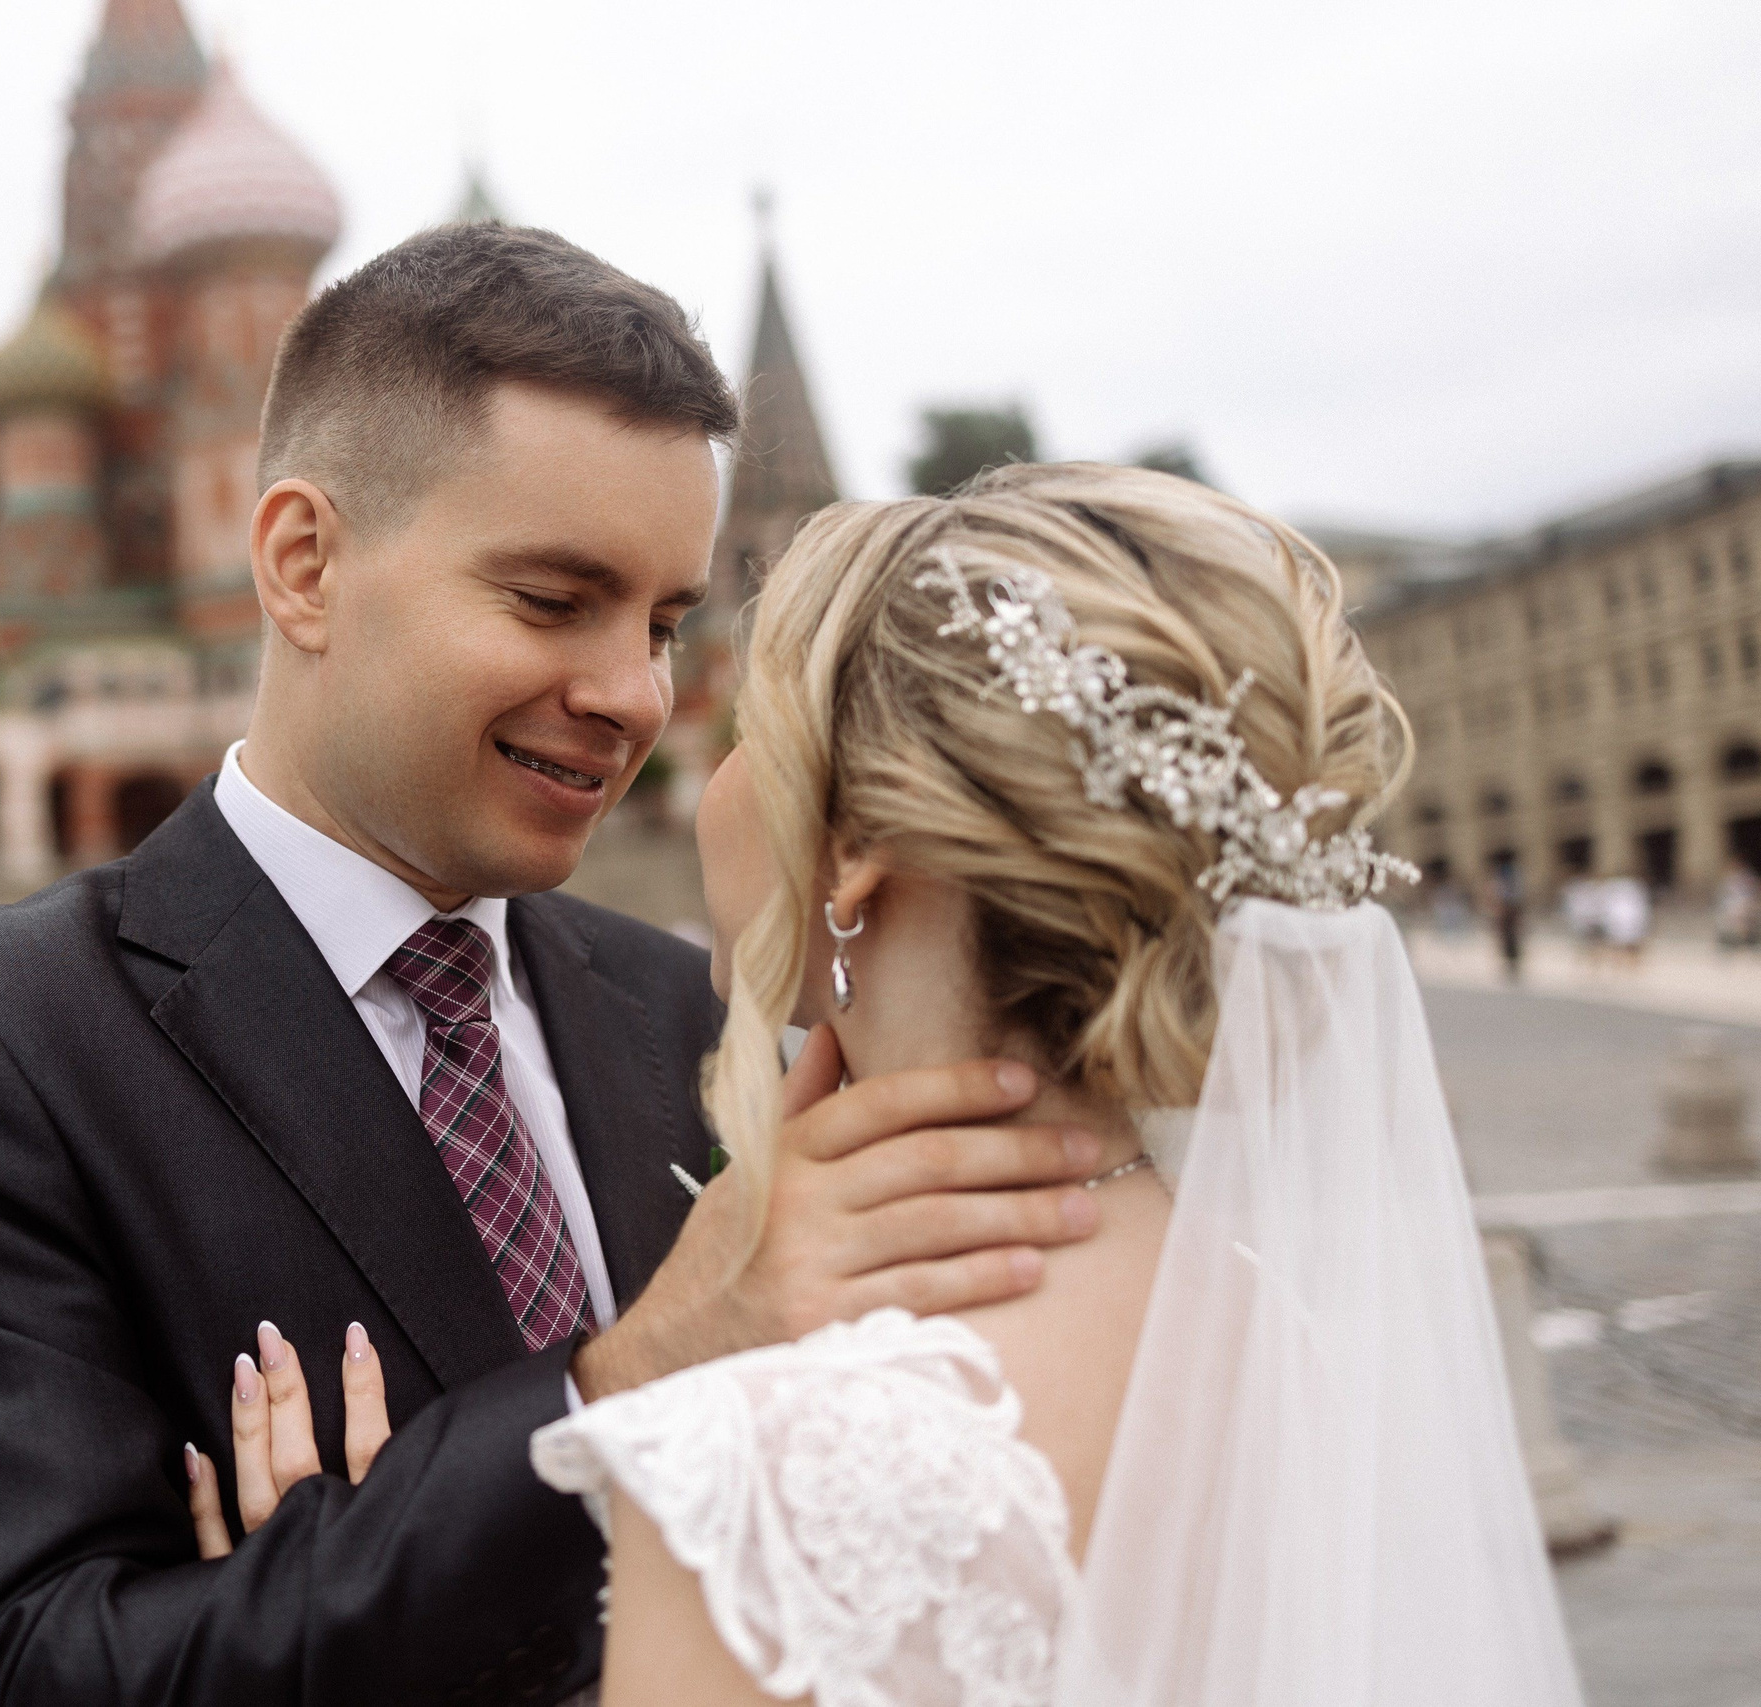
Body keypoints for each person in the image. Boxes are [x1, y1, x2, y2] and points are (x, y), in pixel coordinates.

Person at [0, 225, 1100, 1707]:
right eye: (552, 601)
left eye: (665, 623)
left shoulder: (685, 1011)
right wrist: (619, 1383)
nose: (633, 696)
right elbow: (9, 1680)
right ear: (302, 564)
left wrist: (320, 1568)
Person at [218, 467, 1576, 1704]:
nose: (653, 726)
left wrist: (366, 1631)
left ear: (853, 844)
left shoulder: (763, 1466)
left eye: (750, 725)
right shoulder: (1282, 1328)